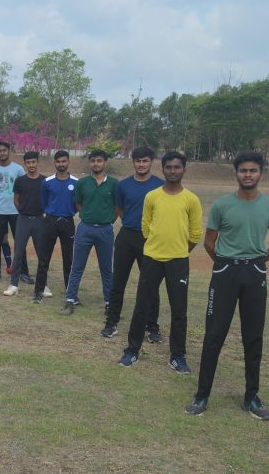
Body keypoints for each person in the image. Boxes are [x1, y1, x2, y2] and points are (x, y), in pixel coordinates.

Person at [185, 152, 269, 418]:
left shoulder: (267, 204)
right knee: (214, 335)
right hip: (225, 271)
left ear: (261, 173)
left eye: (252, 170)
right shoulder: (222, 205)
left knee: (253, 337)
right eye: (243, 170)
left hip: (255, 272)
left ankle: (251, 397)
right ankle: (202, 395)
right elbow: (209, 242)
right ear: (236, 173)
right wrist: (225, 264)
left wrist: (258, 262)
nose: (248, 175)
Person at [119, 152, 203, 372]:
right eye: (169, 167)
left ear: (184, 169)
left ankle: (178, 356)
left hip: (178, 261)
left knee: (179, 310)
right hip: (152, 258)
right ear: (163, 169)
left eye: (177, 167)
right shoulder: (152, 196)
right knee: (142, 306)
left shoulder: (191, 199)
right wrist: (156, 247)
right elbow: (146, 226)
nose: (172, 171)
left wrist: (179, 251)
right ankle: (132, 350)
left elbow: (195, 233)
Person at [101, 147, 163, 338]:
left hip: (150, 239)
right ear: (133, 162)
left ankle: (152, 326)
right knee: (118, 282)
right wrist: (131, 222)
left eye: (145, 161)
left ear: (151, 161)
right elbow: (119, 209)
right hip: (127, 237)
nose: (141, 164)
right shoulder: (123, 185)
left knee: (150, 284)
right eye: (138, 161)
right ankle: (111, 322)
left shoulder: (160, 186)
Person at [62, 149, 118, 316]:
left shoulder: (114, 184)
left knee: (106, 268)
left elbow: (117, 207)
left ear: (105, 162)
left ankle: (109, 303)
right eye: (93, 161)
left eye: (99, 160)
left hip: (105, 230)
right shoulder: (82, 183)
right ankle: (70, 300)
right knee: (77, 266)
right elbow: (78, 204)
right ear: (90, 163)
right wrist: (88, 216)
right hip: (85, 229)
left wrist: (108, 220)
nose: (96, 164)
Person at [9, 151, 49, 302]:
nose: (31, 165)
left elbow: (48, 200)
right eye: (28, 162)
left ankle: (43, 285)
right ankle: (13, 284)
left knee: (42, 254)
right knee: (18, 252)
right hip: (23, 219)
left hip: (40, 221)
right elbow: (16, 200)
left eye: (33, 162)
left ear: (37, 162)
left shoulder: (45, 181)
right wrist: (23, 211)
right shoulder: (20, 181)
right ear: (25, 164)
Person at [39, 150, 78, 297]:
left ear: (68, 162)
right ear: (54, 163)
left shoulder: (76, 182)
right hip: (50, 221)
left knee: (68, 258)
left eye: (64, 161)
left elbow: (77, 204)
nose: (61, 164)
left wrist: (69, 212)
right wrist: (49, 214)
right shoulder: (47, 182)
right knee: (44, 257)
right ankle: (41, 288)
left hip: (67, 221)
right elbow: (43, 202)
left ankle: (70, 290)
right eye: (58, 161)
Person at [0, 142, 25, 285]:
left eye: (4, 150)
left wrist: (18, 205)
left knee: (19, 242)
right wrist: (0, 202)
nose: (2, 153)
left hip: (15, 211)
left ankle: (23, 272)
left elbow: (23, 189)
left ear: (9, 151)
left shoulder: (18, 169)